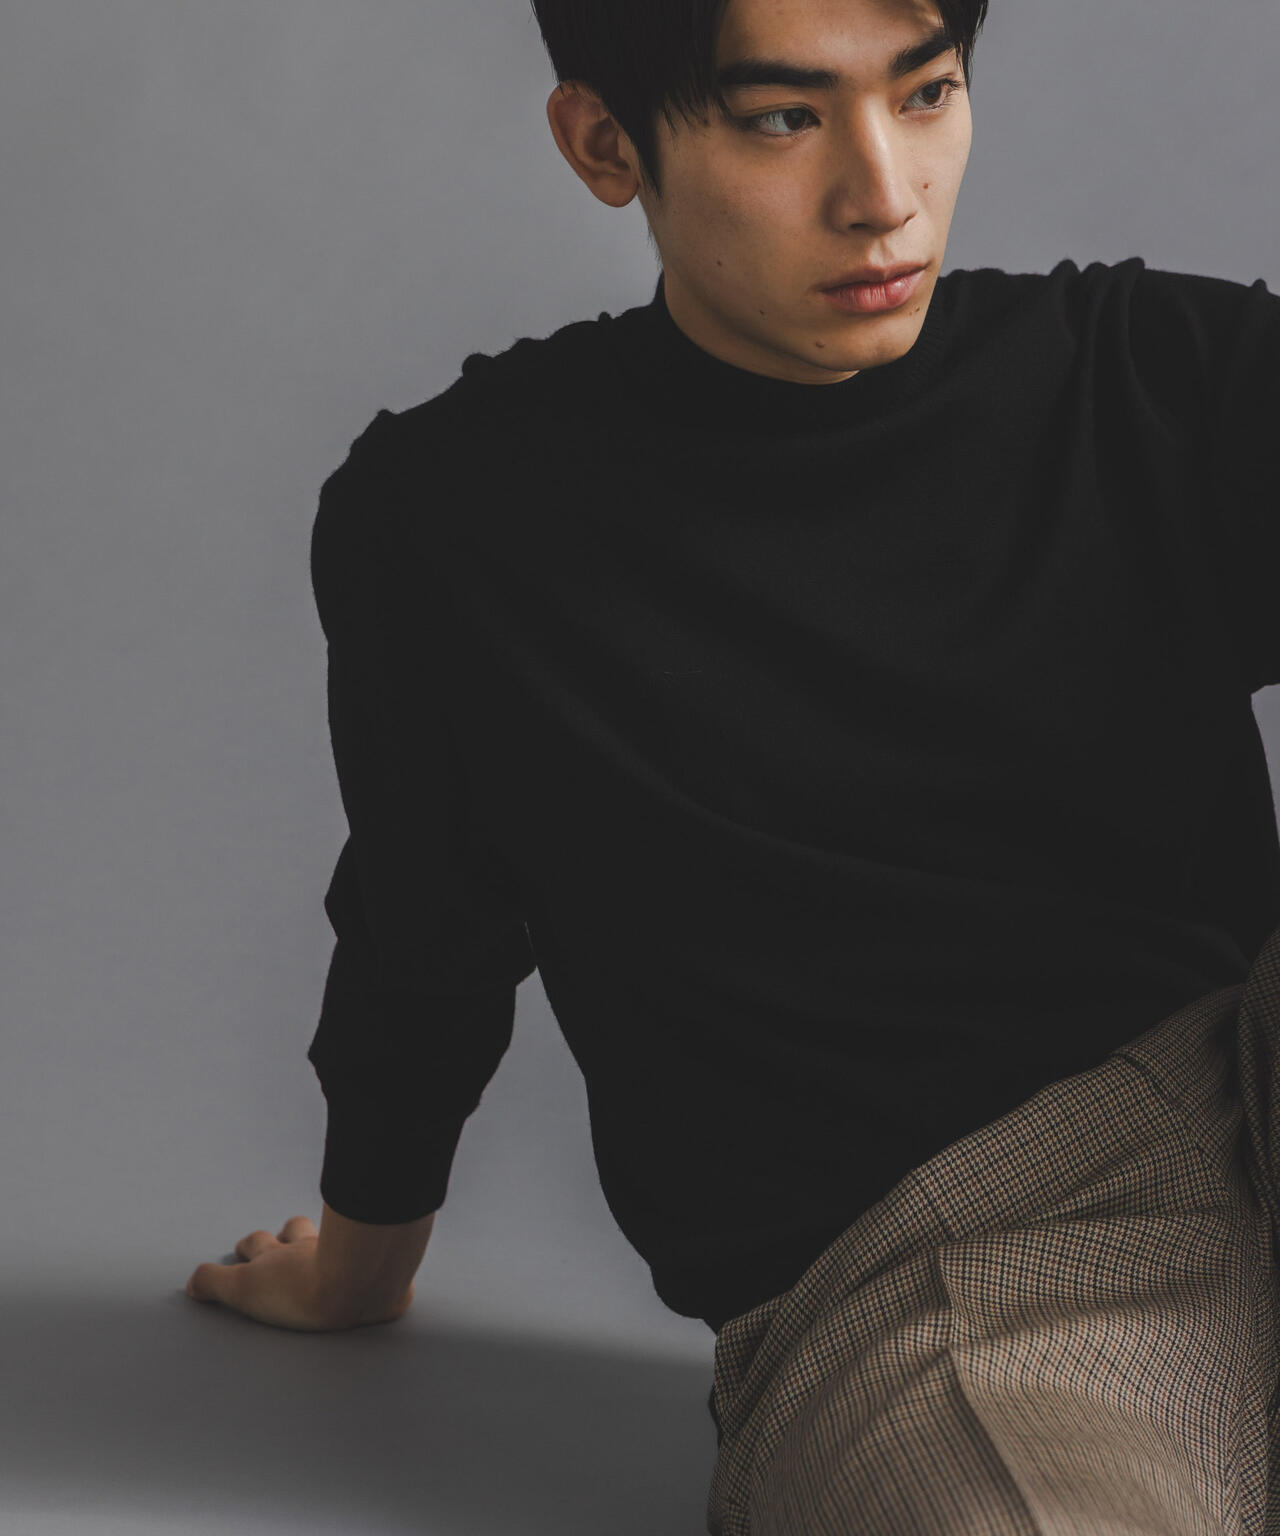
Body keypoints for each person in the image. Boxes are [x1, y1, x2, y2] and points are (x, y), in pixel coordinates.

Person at [187, 0, 1280, 1527]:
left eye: (928, 93)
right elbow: (422, 937)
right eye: (784, 118)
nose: (885, 193)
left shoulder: (1149, 379)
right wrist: (360, 1263)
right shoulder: (457, 521)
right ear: (604, 144)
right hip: (945, 1279)